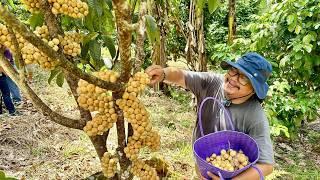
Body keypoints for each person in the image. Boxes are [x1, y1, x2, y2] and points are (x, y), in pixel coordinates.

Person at [146, 52, 274, 180]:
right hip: (204, 169)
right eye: (233, 70)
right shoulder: (212, 83)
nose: (234, 78)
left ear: (254, 89)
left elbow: (266, 166)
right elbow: (182, 76)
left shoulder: (255, 115)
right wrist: (163, 74)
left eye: (244, 78)